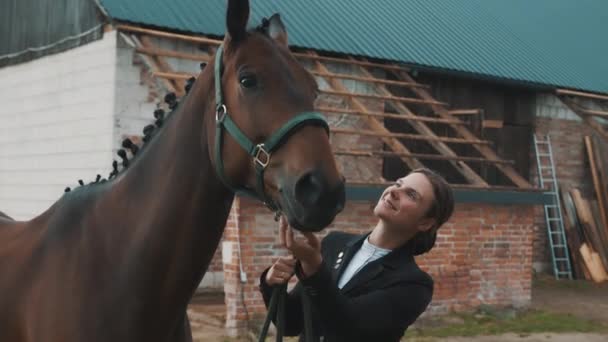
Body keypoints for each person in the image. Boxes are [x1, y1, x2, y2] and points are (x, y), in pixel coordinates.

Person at [258, 168, 455, 341]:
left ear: (425, 223)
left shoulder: (414, 285)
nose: (394, 191)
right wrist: (271, 283)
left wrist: (314, 269)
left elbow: (349, 327)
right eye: (398, 183)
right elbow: (291, 323)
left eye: (411, 194)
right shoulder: (333, 244)